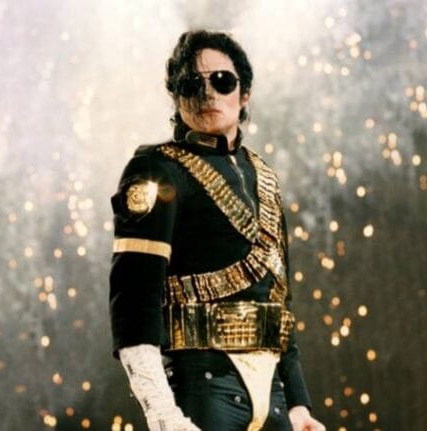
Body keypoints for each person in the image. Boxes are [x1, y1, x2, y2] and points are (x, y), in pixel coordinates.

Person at [109, 30, 325, 431]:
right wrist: (162, 412)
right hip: (203, 391)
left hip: (276, 401)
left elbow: (279, 304)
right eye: (193, 84)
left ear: (244, 95)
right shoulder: (155, 170)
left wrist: (299, 404)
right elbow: (134, 303)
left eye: (222, 81)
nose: (208, 93)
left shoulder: (265, 177)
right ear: (177, 96)